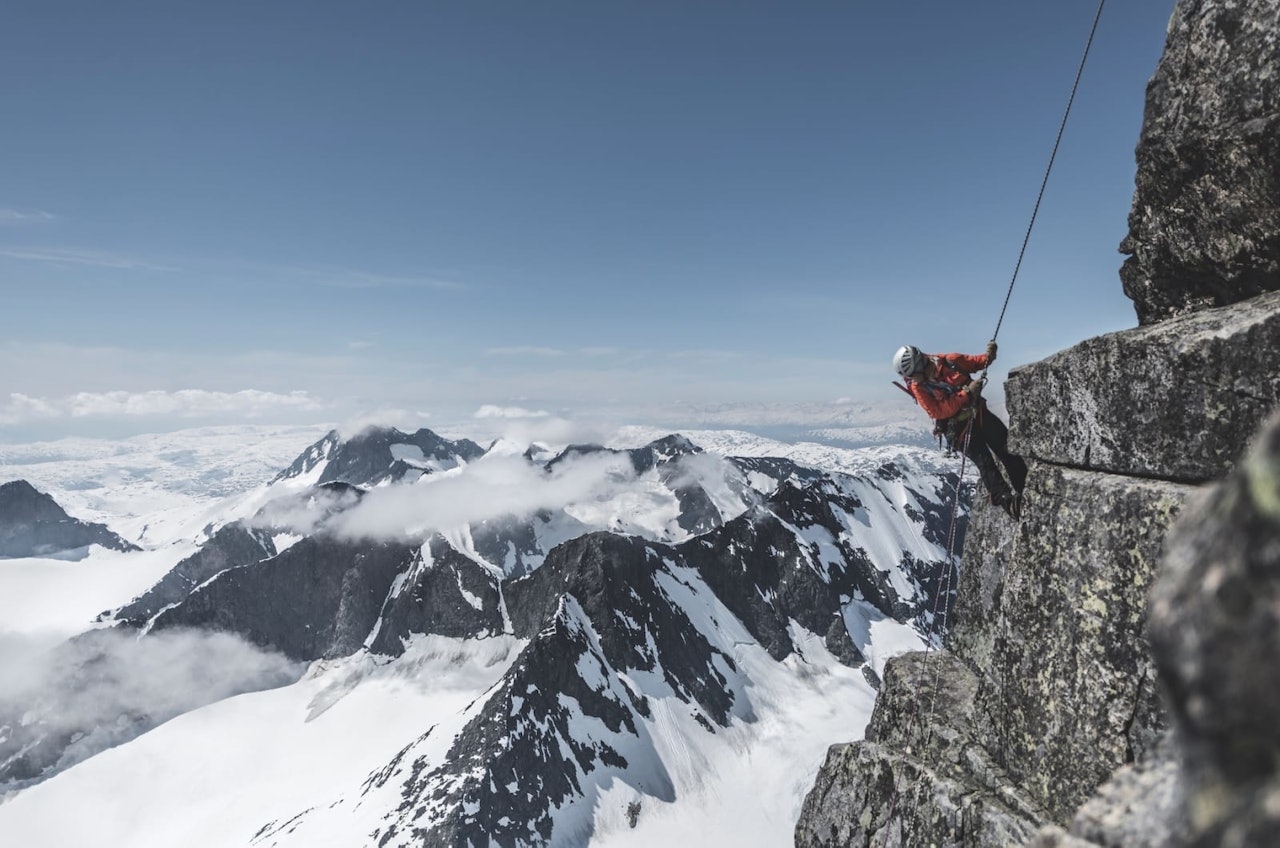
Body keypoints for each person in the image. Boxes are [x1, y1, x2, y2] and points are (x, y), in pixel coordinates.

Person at [892, 340, 1028, 518]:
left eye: (911, 375)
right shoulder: (919, 388)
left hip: (978, 414)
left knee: (1006, 449)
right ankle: (1008, 503)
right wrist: (968, 393)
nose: (910, 381)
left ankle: (1026, 487)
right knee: (985, 463)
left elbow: (978, 362)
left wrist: (989, 355)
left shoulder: (951, 361)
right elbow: (938, 411)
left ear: (919, 366)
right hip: (958, 430)